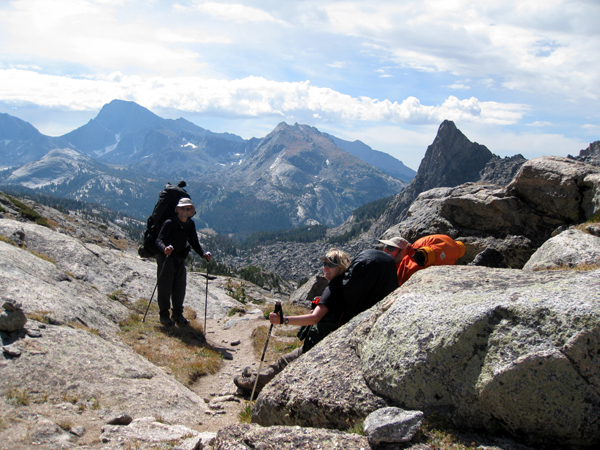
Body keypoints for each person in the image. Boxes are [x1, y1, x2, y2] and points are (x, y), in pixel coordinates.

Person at [233, 248, 351, 395]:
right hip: (327, 338)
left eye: (330, 264)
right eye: (324, 263)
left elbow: (314, 318)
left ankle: (254, 384)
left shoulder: (332, 289)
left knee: (285, 363)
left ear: (340, 267)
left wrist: (283, 320)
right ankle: (256, 376)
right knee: (284, 360)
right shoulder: (342, 284)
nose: (325, 267)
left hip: (319, 342)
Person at [155, 197, 211, 327]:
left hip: (180, 259)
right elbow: (159, 240)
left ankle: (177, 314)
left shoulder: (190, 224)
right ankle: (164, 316)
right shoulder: (169, 222)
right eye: (182, 208)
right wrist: (165, 249)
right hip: (166, 259)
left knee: (179, 288)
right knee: (165, 288)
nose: (185, 211)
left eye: (188, 208)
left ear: (191, 210)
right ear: (177, 209)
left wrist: (203, 254)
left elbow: (194, 242)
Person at [380, 234, 465, 286]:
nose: (385, 250)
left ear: (402, 251)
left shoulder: (408, 265)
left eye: (391, 248)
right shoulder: (415, 250)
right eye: (385, 247)